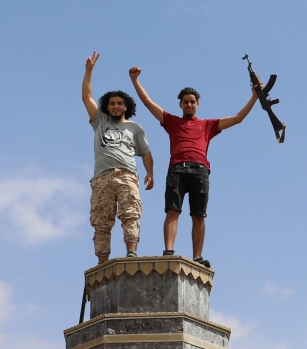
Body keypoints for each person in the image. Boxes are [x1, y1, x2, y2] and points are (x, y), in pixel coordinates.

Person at [129, 66, 260, 268]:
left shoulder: (208, 125)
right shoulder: (172, 121)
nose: (189, 104)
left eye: (192, 101)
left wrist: (255, 97)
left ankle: (197, 256)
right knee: (173, 211)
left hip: (200, 170)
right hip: (177, 169)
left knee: (198, 215)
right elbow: (148, 103)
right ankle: (169, 251)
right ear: (180, 105)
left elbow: (237, 119)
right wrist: (135, 79)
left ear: (198, 104)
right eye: (185, 102)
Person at [82, 51, 154, 263]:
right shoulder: (100, 121)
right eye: (112, 103)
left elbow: (146, 152)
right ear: (107, 106)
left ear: (125, 106)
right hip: (102, 177)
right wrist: (89, 71)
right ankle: (102, 261)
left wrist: (150, 173)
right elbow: (86, 97)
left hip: (127, 175)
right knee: (101, 221)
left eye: (119, 103)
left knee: (130, 213)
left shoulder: (134, 127)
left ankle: (131, 251)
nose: (115, 106)